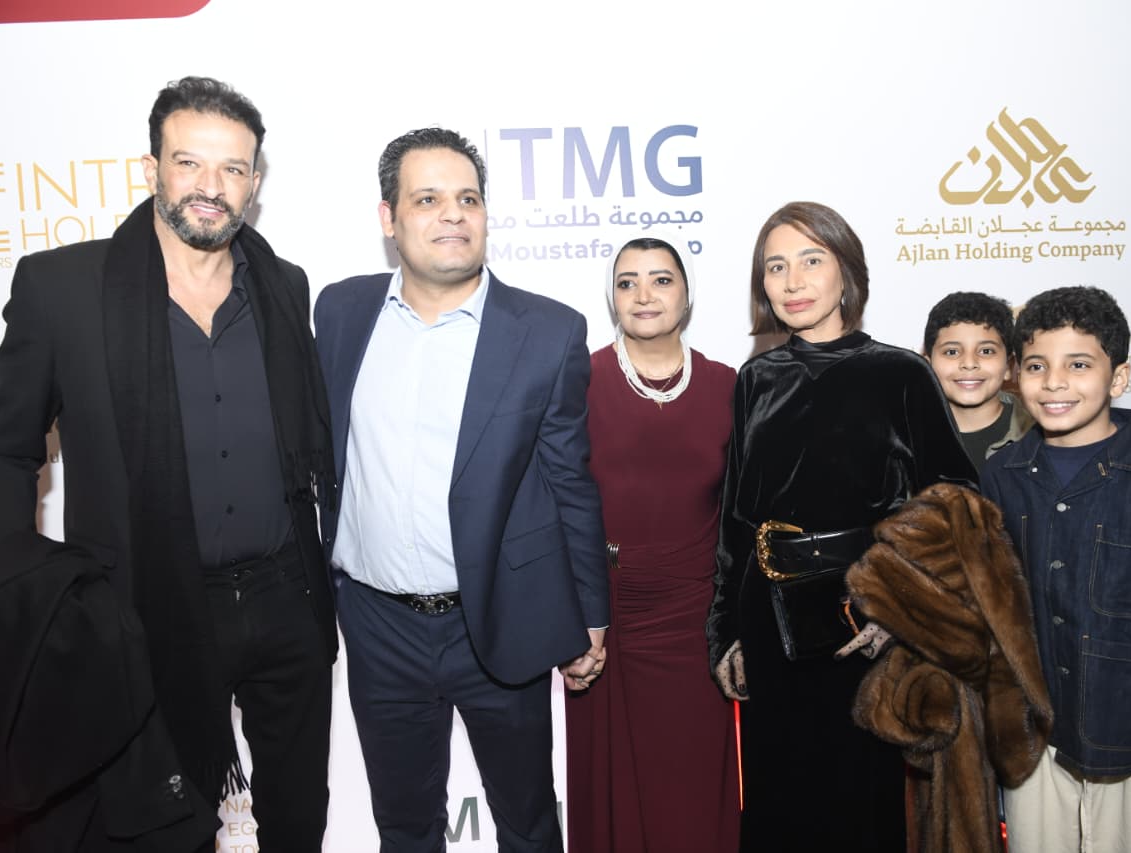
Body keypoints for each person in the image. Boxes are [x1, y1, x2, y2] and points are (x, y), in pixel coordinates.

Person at [0, 76, 337, 852]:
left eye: (232, 168)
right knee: (167, 825)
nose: (210, 186)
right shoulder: (63, 288)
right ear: (151, 169)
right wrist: (19, 593)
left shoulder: (284, 287)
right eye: (189, 162)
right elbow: (5, 448)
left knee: (300, 817)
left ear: (254, 183)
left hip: (284, 597)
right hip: (146, 603)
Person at [315, 127, 608, 853]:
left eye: (468, 199)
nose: (453, 214)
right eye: (427, 199)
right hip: (377, 627)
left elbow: (569, 480)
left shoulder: (548, 331)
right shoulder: (340, 313)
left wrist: (590, 615)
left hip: (502, 621)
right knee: (404, 827)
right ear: (388, 218)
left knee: (528, 823)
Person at [706, 201, 976, 851]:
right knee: (779, 804)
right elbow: (737, 517)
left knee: (859, 808)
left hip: (862, 625)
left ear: (846, 272)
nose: (792, 281)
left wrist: (900, 608)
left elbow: (957, 504)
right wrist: (727, 630)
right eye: (776, 266)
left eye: (811, 260)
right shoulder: (756, 378)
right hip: (769, 623)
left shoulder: (901, 373)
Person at [981, 286, 1131, 853]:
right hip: (1034, 752)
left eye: (1079, 365)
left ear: (1120, 376)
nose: (1054, 382)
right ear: (1016, 376)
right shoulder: (1000, 479)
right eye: (1036, 365)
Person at [564, 237, 739, 853]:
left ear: (687, 295)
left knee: (691, 790)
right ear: (611, 298)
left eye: (661, 279)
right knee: (609, 794)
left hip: (697, 618)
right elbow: (553, 507)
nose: (644, 295)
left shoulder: (728, 386)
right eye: (627, 282)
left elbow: (741, 515)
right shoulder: (579, 381)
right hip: (603, 618)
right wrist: (571, 621)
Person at [923, 290, 1033, 474]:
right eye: (952, 352)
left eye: (986, 351)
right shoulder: (904, 438)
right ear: (927, 365)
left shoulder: (1039, 437)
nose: (969, 363)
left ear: (1008, 366)